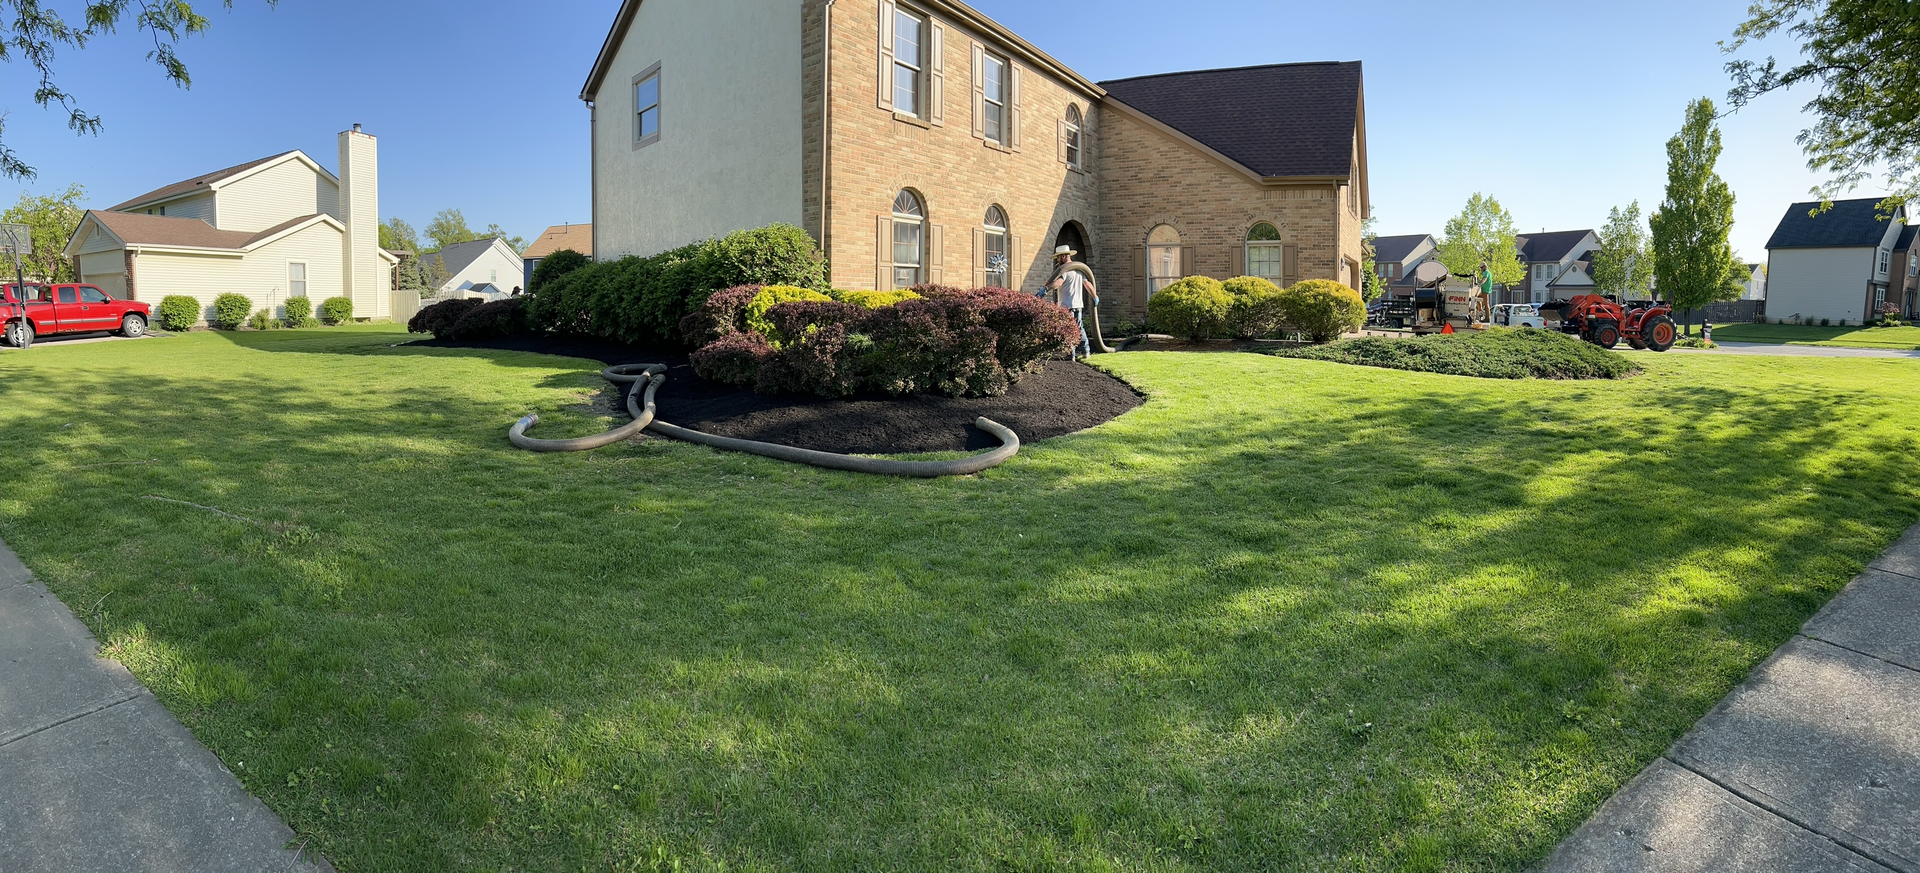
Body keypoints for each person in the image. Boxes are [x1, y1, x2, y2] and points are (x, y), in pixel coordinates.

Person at [1046, 245, 1097, 360]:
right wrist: (1095, 296)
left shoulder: (1065, 270)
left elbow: (1058, 283)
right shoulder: (1078, 270)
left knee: (1068, 329)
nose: (1057, 260)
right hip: (1078, 305)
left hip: (1066, 306)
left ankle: (1071, 354)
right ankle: (1086, 352)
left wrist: (1046, 289)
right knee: (1079, 329)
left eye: (1058, 257)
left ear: (1063, 256)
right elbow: (1088, 284)